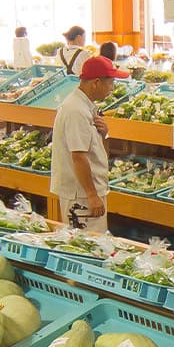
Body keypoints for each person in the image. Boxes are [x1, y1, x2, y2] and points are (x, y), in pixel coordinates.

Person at [51, 55, 127, 231]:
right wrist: (92, 195)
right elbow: (78, 157)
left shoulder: (85, 106)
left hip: (87, 191)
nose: (112, 88)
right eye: (110, 83)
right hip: (81, 196)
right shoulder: (76, 111)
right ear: (96, 82)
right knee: (85, 247)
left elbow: (92, 150)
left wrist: (104, 134)